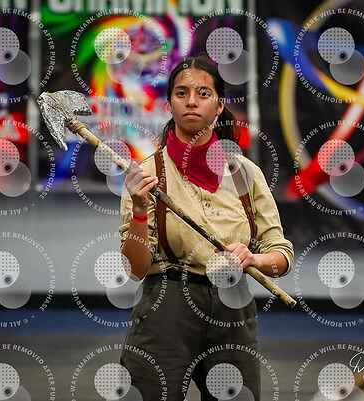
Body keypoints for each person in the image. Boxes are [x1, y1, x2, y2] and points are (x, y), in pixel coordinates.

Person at [119, 56, 294, 401]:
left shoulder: (245, 173)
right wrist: (139, 210)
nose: (192, 101)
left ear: (220, 104)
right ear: (169, 104)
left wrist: (255, 260)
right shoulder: (146, 176)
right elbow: (135, 269)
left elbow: (282, 256)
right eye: (181, 93)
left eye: (203, 93)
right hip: (167, 308)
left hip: (234, 306)